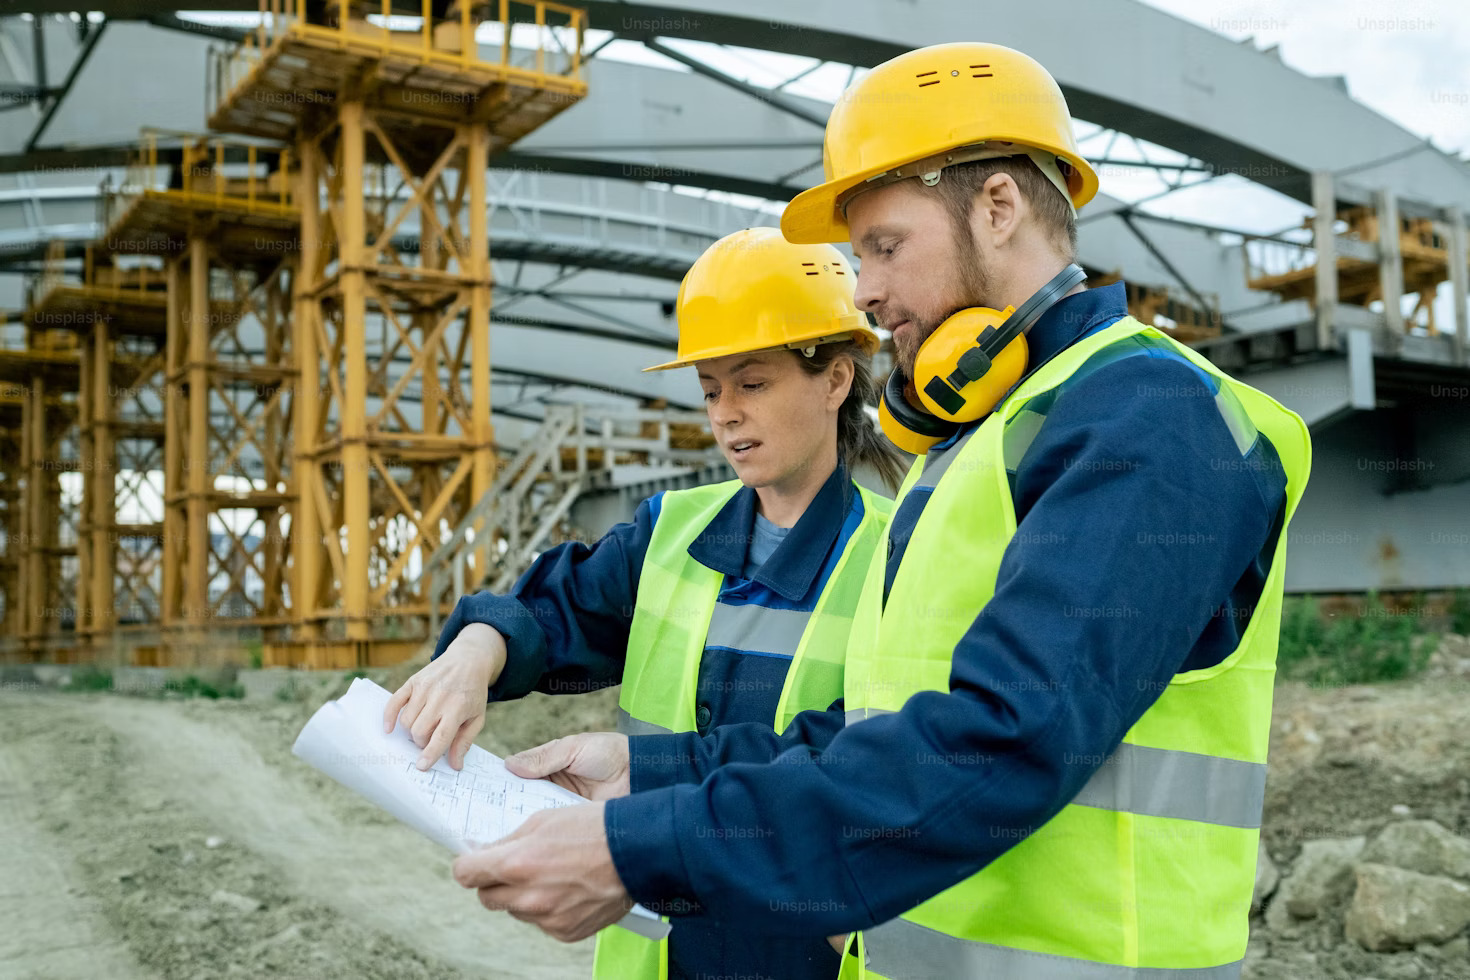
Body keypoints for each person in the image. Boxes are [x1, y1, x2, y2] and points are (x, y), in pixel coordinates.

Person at [447, 41, 1313, 979]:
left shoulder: (1148, 415)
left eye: (885, 247)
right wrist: (652, 779)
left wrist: (644, 849)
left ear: (997, 206)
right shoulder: (988, 436)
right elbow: (884, 724)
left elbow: (999, 738)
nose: (863, 291)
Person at [386, 226, 904, 980]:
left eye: (751, 384)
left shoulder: (897, 558)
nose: (724, 413)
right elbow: (556, 608)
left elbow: (870, 758)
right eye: (710, 389)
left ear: (835, 380)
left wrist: (647, 772)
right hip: (661, 946)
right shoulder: (669, 533)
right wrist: (476, 650)